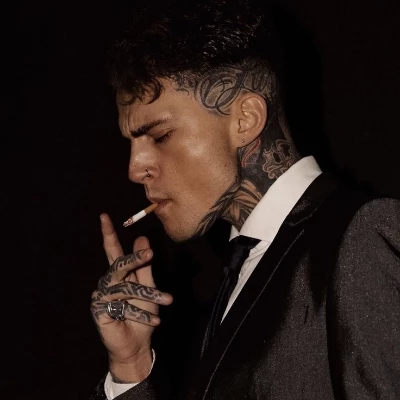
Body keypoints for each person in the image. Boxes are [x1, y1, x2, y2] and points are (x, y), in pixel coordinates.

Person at [90, 1, 400, 398]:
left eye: (161, 136)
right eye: (132, 144)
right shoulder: (232, 280)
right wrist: (131, 366)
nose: (136, 169)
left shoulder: (359, 239)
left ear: (246, 119)